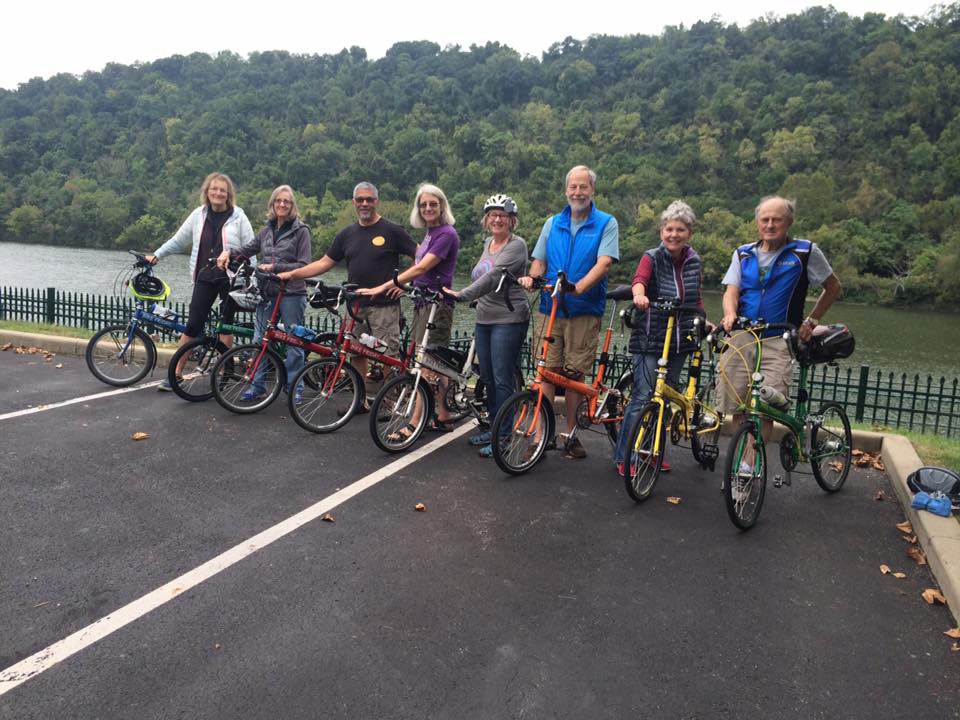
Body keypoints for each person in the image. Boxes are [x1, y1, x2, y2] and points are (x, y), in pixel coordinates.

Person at [718, 195, 842, 474]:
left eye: (777, 219)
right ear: (757, 222)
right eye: (765, 219)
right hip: (742, 334)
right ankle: (742, 456)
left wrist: (811, 320)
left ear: (789, 223)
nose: (770, 225)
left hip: (779, 337)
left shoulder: (805, 252)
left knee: (765, 402)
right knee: (737, 401)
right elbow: (731, 291)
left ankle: (750, 465)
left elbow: (833, 287)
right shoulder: (743, 253)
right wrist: (729, 313)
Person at [277, 181, 417, 409]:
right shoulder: (347, 234)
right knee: (355, 353)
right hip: (355, 305)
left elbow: (420, 255)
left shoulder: (392, 231)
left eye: (369, 199)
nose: (364, 203)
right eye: (360, 200)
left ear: (376, 202)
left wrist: (406, 282)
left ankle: (390, 402)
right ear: (354, 203)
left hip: (385, 305)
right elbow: (324, 263)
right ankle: (359, 401)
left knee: (388, 355)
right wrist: (292, 274)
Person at [518, 165, 619, 459]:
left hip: (584, 310)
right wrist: (533, 280)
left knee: (575, 374)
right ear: (566, 191)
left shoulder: (606, 223)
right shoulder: (553, 223)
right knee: (547, 373)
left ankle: (570, 433)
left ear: (592, 191)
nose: (578, 192)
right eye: (573, 187)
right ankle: (543, 435)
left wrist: (579, 288)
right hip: (551, 308)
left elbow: (604, 263)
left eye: (583, 187)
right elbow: (540, 259)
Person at [612, 200, 705, 477]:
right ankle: (625, 455)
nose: (673, 234)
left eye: (680, 229)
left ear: (689, 232)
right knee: (643, 397)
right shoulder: (651, 257)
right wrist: (639, 295)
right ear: (661, 231)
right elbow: (640, 279)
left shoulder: (694, 260)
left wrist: (703, 318)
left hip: (680, 339)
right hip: (651, 336)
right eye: (668, 229)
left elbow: (696, 295)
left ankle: (651, 452)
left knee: (664, 398)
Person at [360, 183, 460, 432]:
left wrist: (384, 286)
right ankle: (444, 414)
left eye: (433, 204)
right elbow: (421, 274)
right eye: (423, 204)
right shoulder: (430, 233)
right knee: (434, 362)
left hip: (437, 305)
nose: (428, 208)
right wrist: (406, 287)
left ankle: (415, 421)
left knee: (425, 366)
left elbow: (423, 267)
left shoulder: (446, 234)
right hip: (423, 302)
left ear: (442, 206)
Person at [147, 172, 255, 391]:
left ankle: (225, 375)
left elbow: (252, 248)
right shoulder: (199, 215)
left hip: (230, 279)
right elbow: (179, 241)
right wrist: (157, 255)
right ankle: (175, 374)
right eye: (214, 189)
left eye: (222, 190)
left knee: (226, 325)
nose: (217, 193)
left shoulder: (239, 216)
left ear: (228, 194)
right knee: (193, 325)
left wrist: (251, 279)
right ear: (207, 191)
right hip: (204, 277)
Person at [443, 194, 530, 458]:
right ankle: (493, 426)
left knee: (503, 378)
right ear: (486, 219)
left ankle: (504, 436)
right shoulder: (486, 243)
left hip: (509, 318)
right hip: (485, 317)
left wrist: (462, 294)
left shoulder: (517, 246)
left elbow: (494, 276)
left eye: (503, 215)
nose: (497, 219)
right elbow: (484, 276)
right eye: (492, 214)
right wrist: (476, 298)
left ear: (511, 220)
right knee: (488, 377)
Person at [218, 184, 312, 402]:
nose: (282, 204)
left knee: (293, 341)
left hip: (292, 293)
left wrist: (275, 268)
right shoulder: (266, 231)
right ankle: (257, 385)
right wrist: (227, 254)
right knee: (260, 340)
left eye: (286, 201)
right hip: (267, 292)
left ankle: (294, 387)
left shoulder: (301, 231)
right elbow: (246, 251)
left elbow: (304, 264)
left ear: (292, 206)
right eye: (278, 200)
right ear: (272, 204)